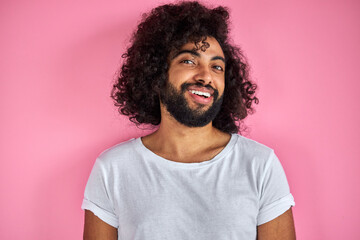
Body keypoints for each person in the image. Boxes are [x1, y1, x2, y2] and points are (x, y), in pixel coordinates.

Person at [81, 1, 296, 239]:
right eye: (189, 61)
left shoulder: (260, 165)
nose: (206, 76)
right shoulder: (113, 169)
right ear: (157, 73)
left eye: (217, 67)